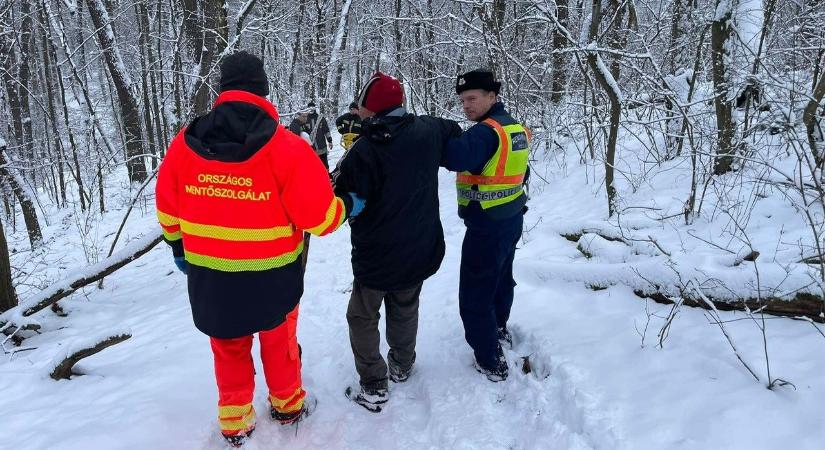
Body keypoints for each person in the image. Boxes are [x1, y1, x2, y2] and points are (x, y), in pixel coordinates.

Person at [155, 51, 364, 447]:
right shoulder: (288, 148)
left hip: (211, 278)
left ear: (222, 90)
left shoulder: (184, 145)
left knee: (229, 347)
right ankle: (287, 406)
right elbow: (319, 219)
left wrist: (178, 247)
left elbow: (167, 208)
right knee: (279, 343)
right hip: (274, 277)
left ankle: (235, 424)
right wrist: (347, 207)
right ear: (263, 90)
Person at [332, 72, 461, 412]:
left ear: (371, 110)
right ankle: (402, 365)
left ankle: (374, 384)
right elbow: (454, 132)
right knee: (405, 306)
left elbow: (341, 195)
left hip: (377, 254)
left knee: (362, 316)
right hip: (419, 248)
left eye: (361, 107)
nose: (357, 112)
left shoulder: (365, 150)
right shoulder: (429, 130)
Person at [442, 69, 529, 383]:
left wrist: (439, 132)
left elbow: (453, 157)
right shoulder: (514, 128)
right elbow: (521, 171)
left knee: (476, 292)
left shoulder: (483, 132)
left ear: (492, 96)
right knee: (502, 280)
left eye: (473, 98)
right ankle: (498, 329)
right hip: (511, 217)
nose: (466, 105)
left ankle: (489, 358)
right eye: (463, 99)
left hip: (486, 224)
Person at [288, 102, 332, 169]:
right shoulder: (301, 122)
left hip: (322, 147)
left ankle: (327, 177)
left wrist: (330, 140)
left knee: (325, 166)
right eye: (310, 108)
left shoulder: (320, 118)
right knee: (314, 167)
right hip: (311, 151)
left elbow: (326, 130)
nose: (305, 118)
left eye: (312, 108)